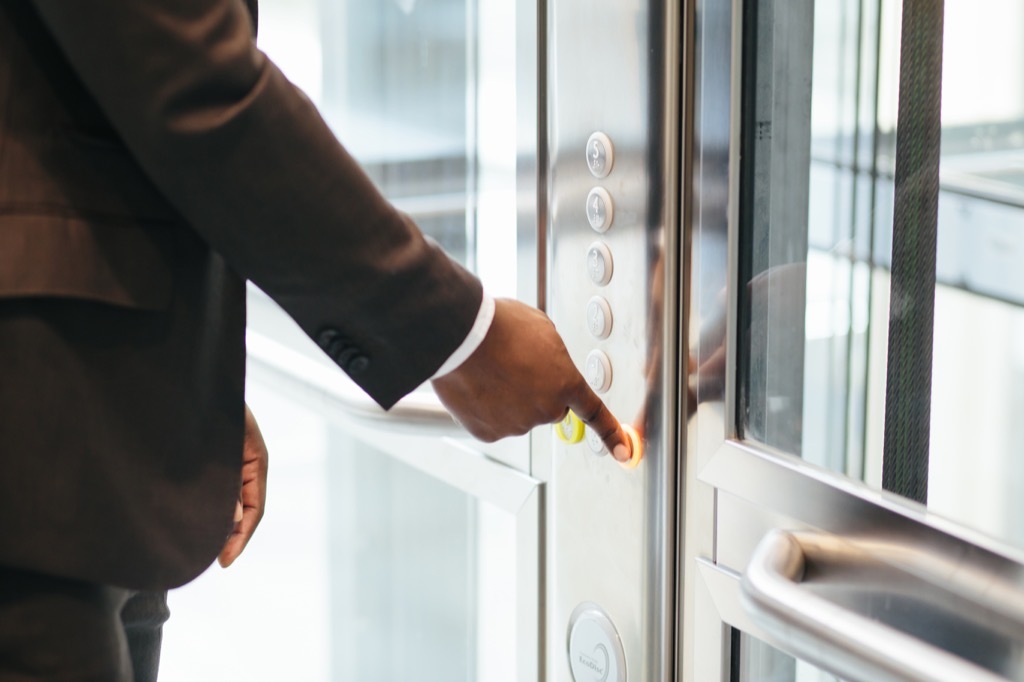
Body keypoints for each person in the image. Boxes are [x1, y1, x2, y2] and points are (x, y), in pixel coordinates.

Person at [0, 0, 631, 679]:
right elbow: (197, 86)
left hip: (82, 416)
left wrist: (177, 365)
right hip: (34, 457)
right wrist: (462, 338)